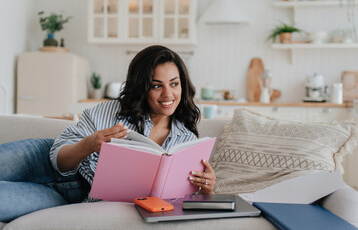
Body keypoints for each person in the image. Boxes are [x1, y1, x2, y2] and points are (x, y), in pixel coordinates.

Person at [0, 45, 216, 222]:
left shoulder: (186, 141)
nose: (168, 94)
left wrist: (207, 190)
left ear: (183, 85)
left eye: (174, 84)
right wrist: (90, 144)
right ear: (142, 88)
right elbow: (59, 160)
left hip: (70, 198)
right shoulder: (111, 111)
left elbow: (178, 202)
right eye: (156, 86)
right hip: (44, 159)